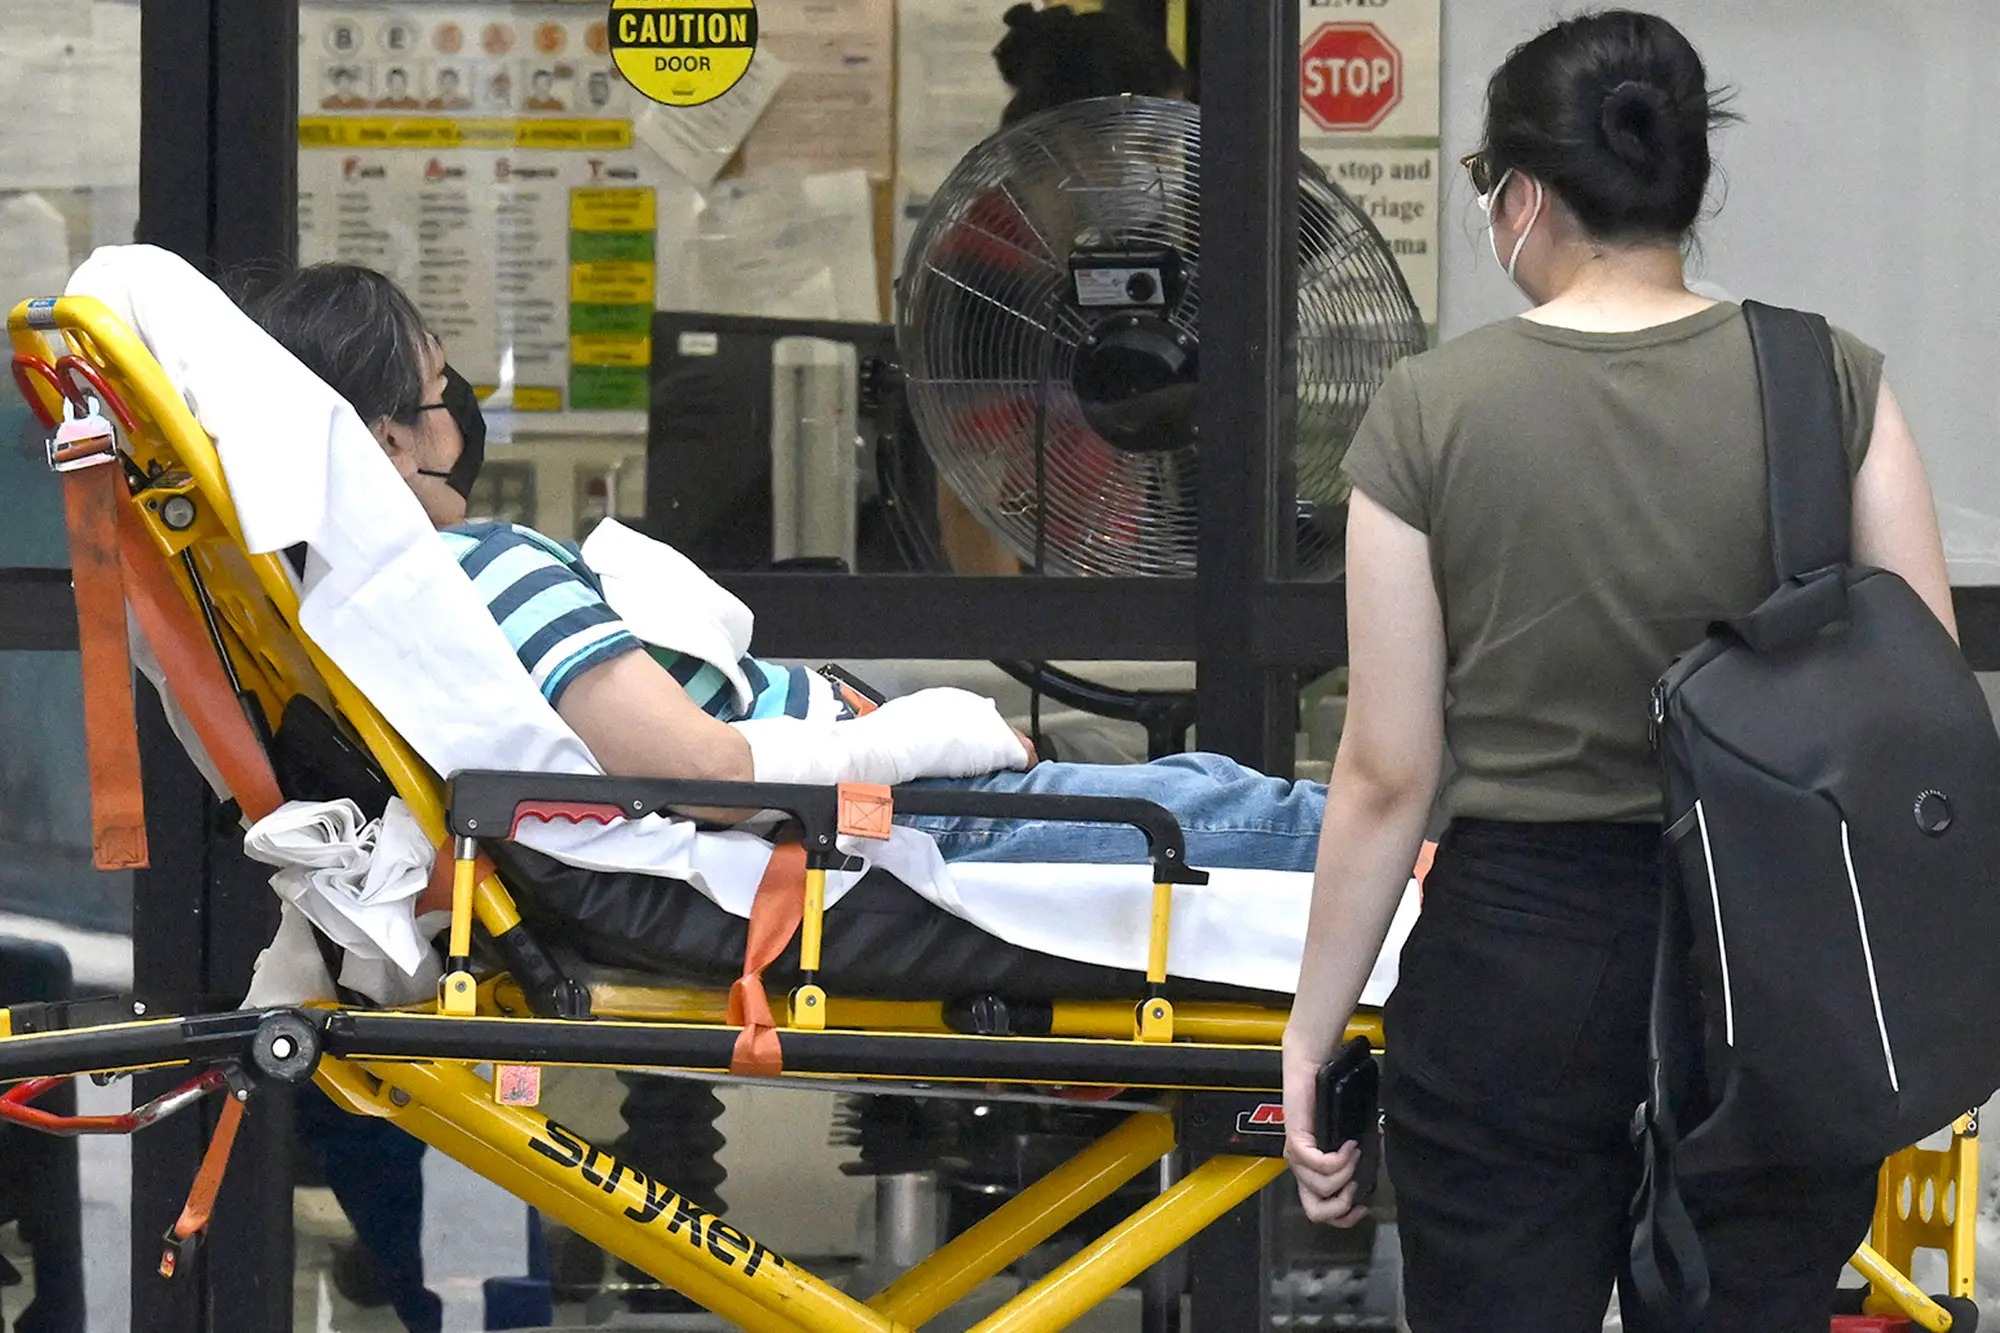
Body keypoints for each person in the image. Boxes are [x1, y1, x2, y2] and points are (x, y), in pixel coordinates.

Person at [1279, 12, 1954, 1332]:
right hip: (1777, 956)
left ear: (1522, 194)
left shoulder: (1430, 410)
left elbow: (1385, 770)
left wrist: (1313, 1028)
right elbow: (1915, 713)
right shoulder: (1830, 383)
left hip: (1516, 950)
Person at [243, 263, 1326, 875]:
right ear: (385, 445)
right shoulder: (481, 571)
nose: (460, 419)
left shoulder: (365, 609)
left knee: (1202, 796)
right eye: (441, 393)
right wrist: (928, 734)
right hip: (898, 822)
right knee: (1227, 812)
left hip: (878, 804)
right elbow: (699, 775)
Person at [933, 3, 1188, 577]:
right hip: (1029, 599)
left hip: (1104, 577)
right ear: (1079, 140)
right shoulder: (985, 264)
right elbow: (970, 488)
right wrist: (1012, 654)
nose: (1163, 171)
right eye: (1147, 147)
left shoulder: (1118, 248)